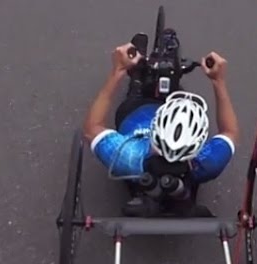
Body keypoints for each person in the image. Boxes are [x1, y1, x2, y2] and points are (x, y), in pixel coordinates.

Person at [82, 43, 239, 208]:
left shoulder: (129, 157)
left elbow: (92, 128)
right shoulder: (207, 163)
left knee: (135, 90)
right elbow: (230, 132)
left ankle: (135, 79)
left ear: (154, 129)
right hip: (146, 118)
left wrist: (118, 71)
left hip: (135, 110)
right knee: (177, 88)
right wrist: (218, 81)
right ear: (198, 144)